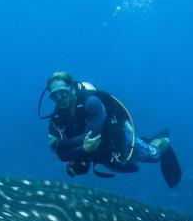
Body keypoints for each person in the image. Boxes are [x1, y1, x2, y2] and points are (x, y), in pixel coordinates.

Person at [40, 71, 182, 187]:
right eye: (54, 95)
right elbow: (60, 153)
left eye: (63, 93)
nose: (59, 98)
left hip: (117, 140)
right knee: (123, 167)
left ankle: (163, 142)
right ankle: (147, 140)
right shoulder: (58, 118)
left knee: (153, 155)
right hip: (99, 152)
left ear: (71, 89)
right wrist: (71, 150)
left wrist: (61, 145)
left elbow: (91, 137)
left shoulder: (92, 103)